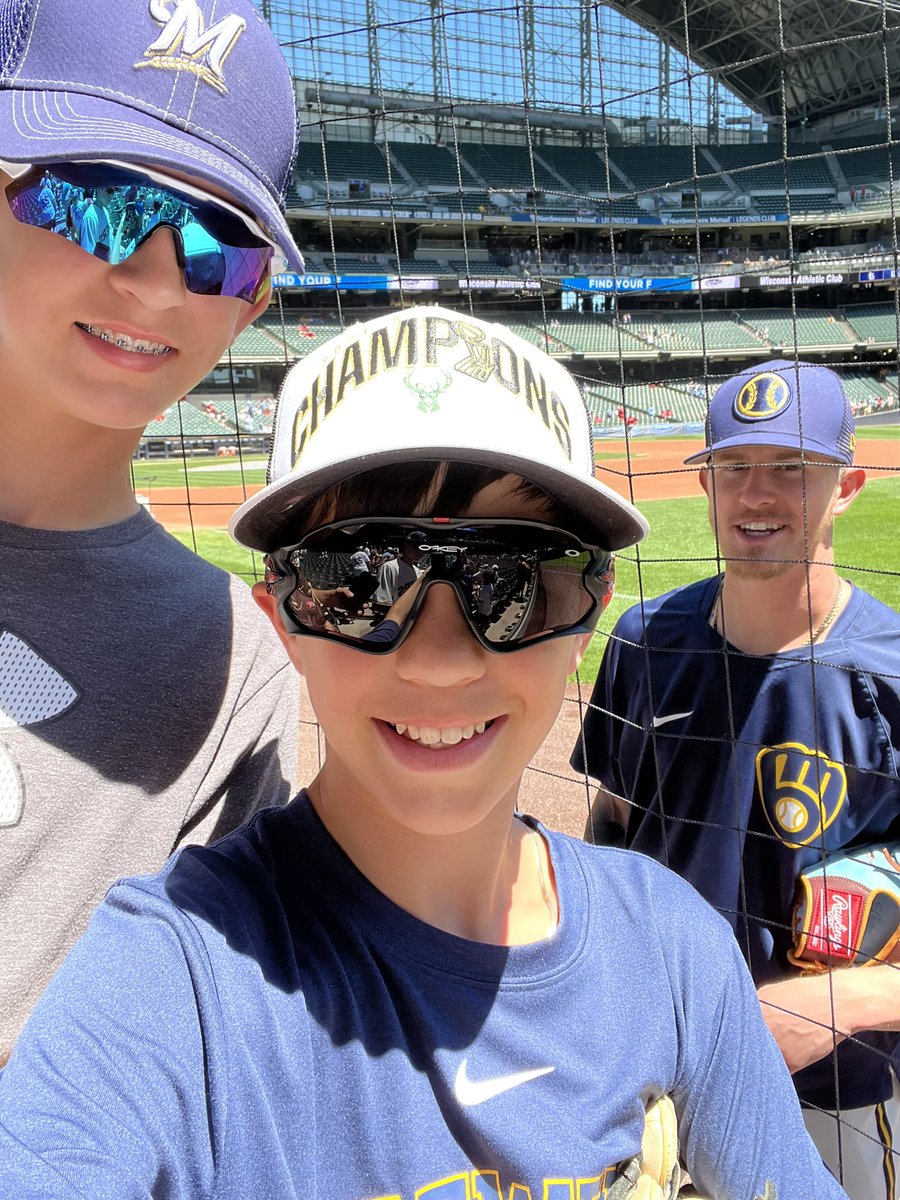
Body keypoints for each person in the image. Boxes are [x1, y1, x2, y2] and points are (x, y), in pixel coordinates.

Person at [0, 310, 848, 1198]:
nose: (440, 662)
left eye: (516, 582)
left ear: (589, 615)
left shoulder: (675, 950)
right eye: (359, 584)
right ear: (283, 617)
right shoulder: (171, 978)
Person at [0, 0, 305, 1059]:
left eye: (219, 247)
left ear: (254, 299)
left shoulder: (235, 671)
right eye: (97, 204)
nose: (154, 281)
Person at [571, 360, 900, 1199]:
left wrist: (841, 1006)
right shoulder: (646, 642)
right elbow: (610, 825)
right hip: (659, 1071)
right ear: (707, 483)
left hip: (836, 1090)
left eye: (793, 468)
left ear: (849, 485)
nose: (757, 495)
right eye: (733, 468)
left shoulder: (892, 671)